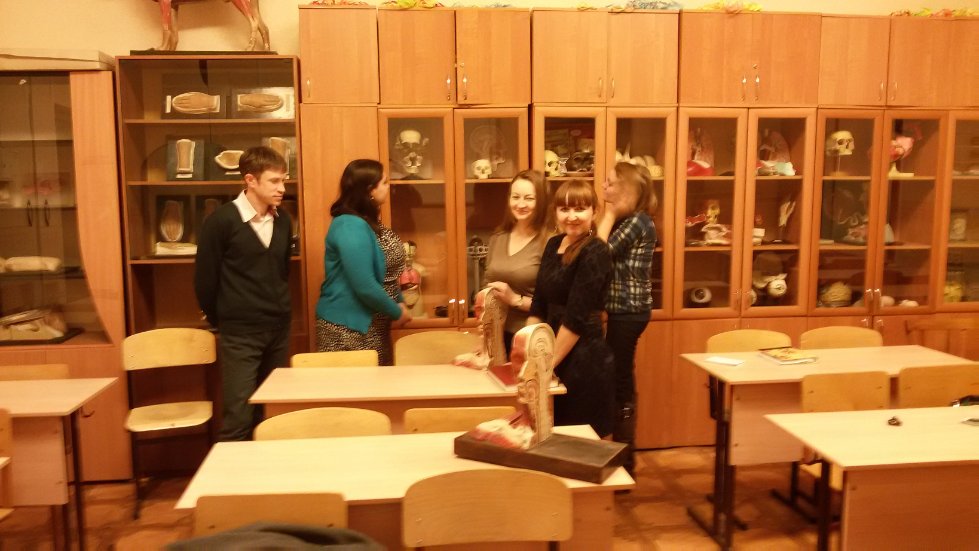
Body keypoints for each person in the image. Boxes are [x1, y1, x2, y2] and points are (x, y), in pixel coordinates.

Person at [194, 146, 292, 442]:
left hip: (278, 329)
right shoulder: (221, 221)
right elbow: (205, 281)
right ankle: (230, 472)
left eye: (284, 180)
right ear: (250, 180)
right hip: (240, 332)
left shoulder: (283, 220)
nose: (282, 188)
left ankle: (270, 470)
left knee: (274, 413)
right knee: (239, 416)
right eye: (274, 181)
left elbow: (281, 270)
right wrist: (223, 319)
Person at [527, 179, 614, 437]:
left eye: (580, 209)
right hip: (551, 350)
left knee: (580, 440)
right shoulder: (553, 244)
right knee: (548, 435)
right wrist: (530, 351)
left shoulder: (596, 250)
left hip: (583, 358)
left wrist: (544, 367)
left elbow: (576, 318)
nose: (572, 216)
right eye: (564, 209)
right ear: (555, 212)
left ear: (594, 212)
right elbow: (539, 302)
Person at [315, 159, 411, 365]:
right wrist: (398, 312)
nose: (389, 186)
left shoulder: (368, 222)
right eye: (384, 182)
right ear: (370, 190)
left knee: (378, 384)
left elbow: (388, 273)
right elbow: (365, 285)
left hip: (374, 328)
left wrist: (399, 299)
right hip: (348, 330)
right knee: (356, 386)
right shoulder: (349, 225)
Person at [597, 161, 658, 473]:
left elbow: (599, 253)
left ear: (627, 190)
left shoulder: (637, 221)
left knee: (620, 380)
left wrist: (607, 215)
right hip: (624, 311)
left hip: (629, 311)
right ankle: (623, 455)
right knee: (618, 376)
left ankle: (626, 460)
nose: (604, 187)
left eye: (610, 183)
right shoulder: (631, 220)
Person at [483, 170, 551, 357]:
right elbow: (486, 283)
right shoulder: (498, 237)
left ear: (541, 202)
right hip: (495, 336)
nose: (520, 204)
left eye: (529, 198)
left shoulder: (550, 242)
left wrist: (515, 299)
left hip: (531, 337)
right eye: (516, 197)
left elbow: (553, 303)